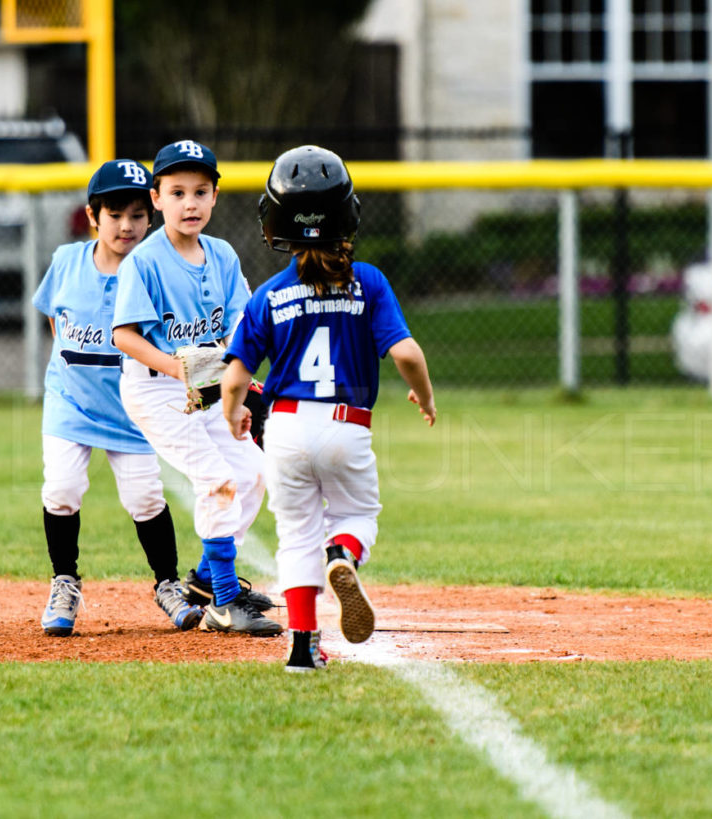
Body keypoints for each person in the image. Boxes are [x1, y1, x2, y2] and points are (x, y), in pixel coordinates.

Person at [220, 145, 437, 671]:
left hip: (286, 429)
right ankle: (342, 553)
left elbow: (234, 379)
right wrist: (425, 396)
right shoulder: (369, 281)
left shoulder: (269, 294)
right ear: (348, 216)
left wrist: (233, 415)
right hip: (347, 425)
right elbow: (406, 352)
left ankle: (301, 648)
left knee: (295, 535)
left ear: (274, 222)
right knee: (357, 515)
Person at [111, 139, 282, 637]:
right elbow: (123, 336)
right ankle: (225, 604)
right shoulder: (144, 262)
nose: (190, 203)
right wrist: (177, 369)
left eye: (201, 191)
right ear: (157, 199)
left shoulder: (223, 255)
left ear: (214, 197)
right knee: (214, 479)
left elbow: (237, 326)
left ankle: (207, 581)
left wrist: (240, 385)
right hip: (155, 391)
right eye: (177, 192)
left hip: (208, 385)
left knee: (251, 473)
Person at [33, 158, 204, 637]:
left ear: (151, 215)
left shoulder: (156, 271)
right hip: (71, 401)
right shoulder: (67, 261)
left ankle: (167, 585)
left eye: (136, 215)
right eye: (114, 214)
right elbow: (55, 318)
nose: (126, 226)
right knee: (62, 489)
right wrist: (69, 374)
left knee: (145, 497)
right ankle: (64, 581)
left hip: (132, 408)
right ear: (93, 216)